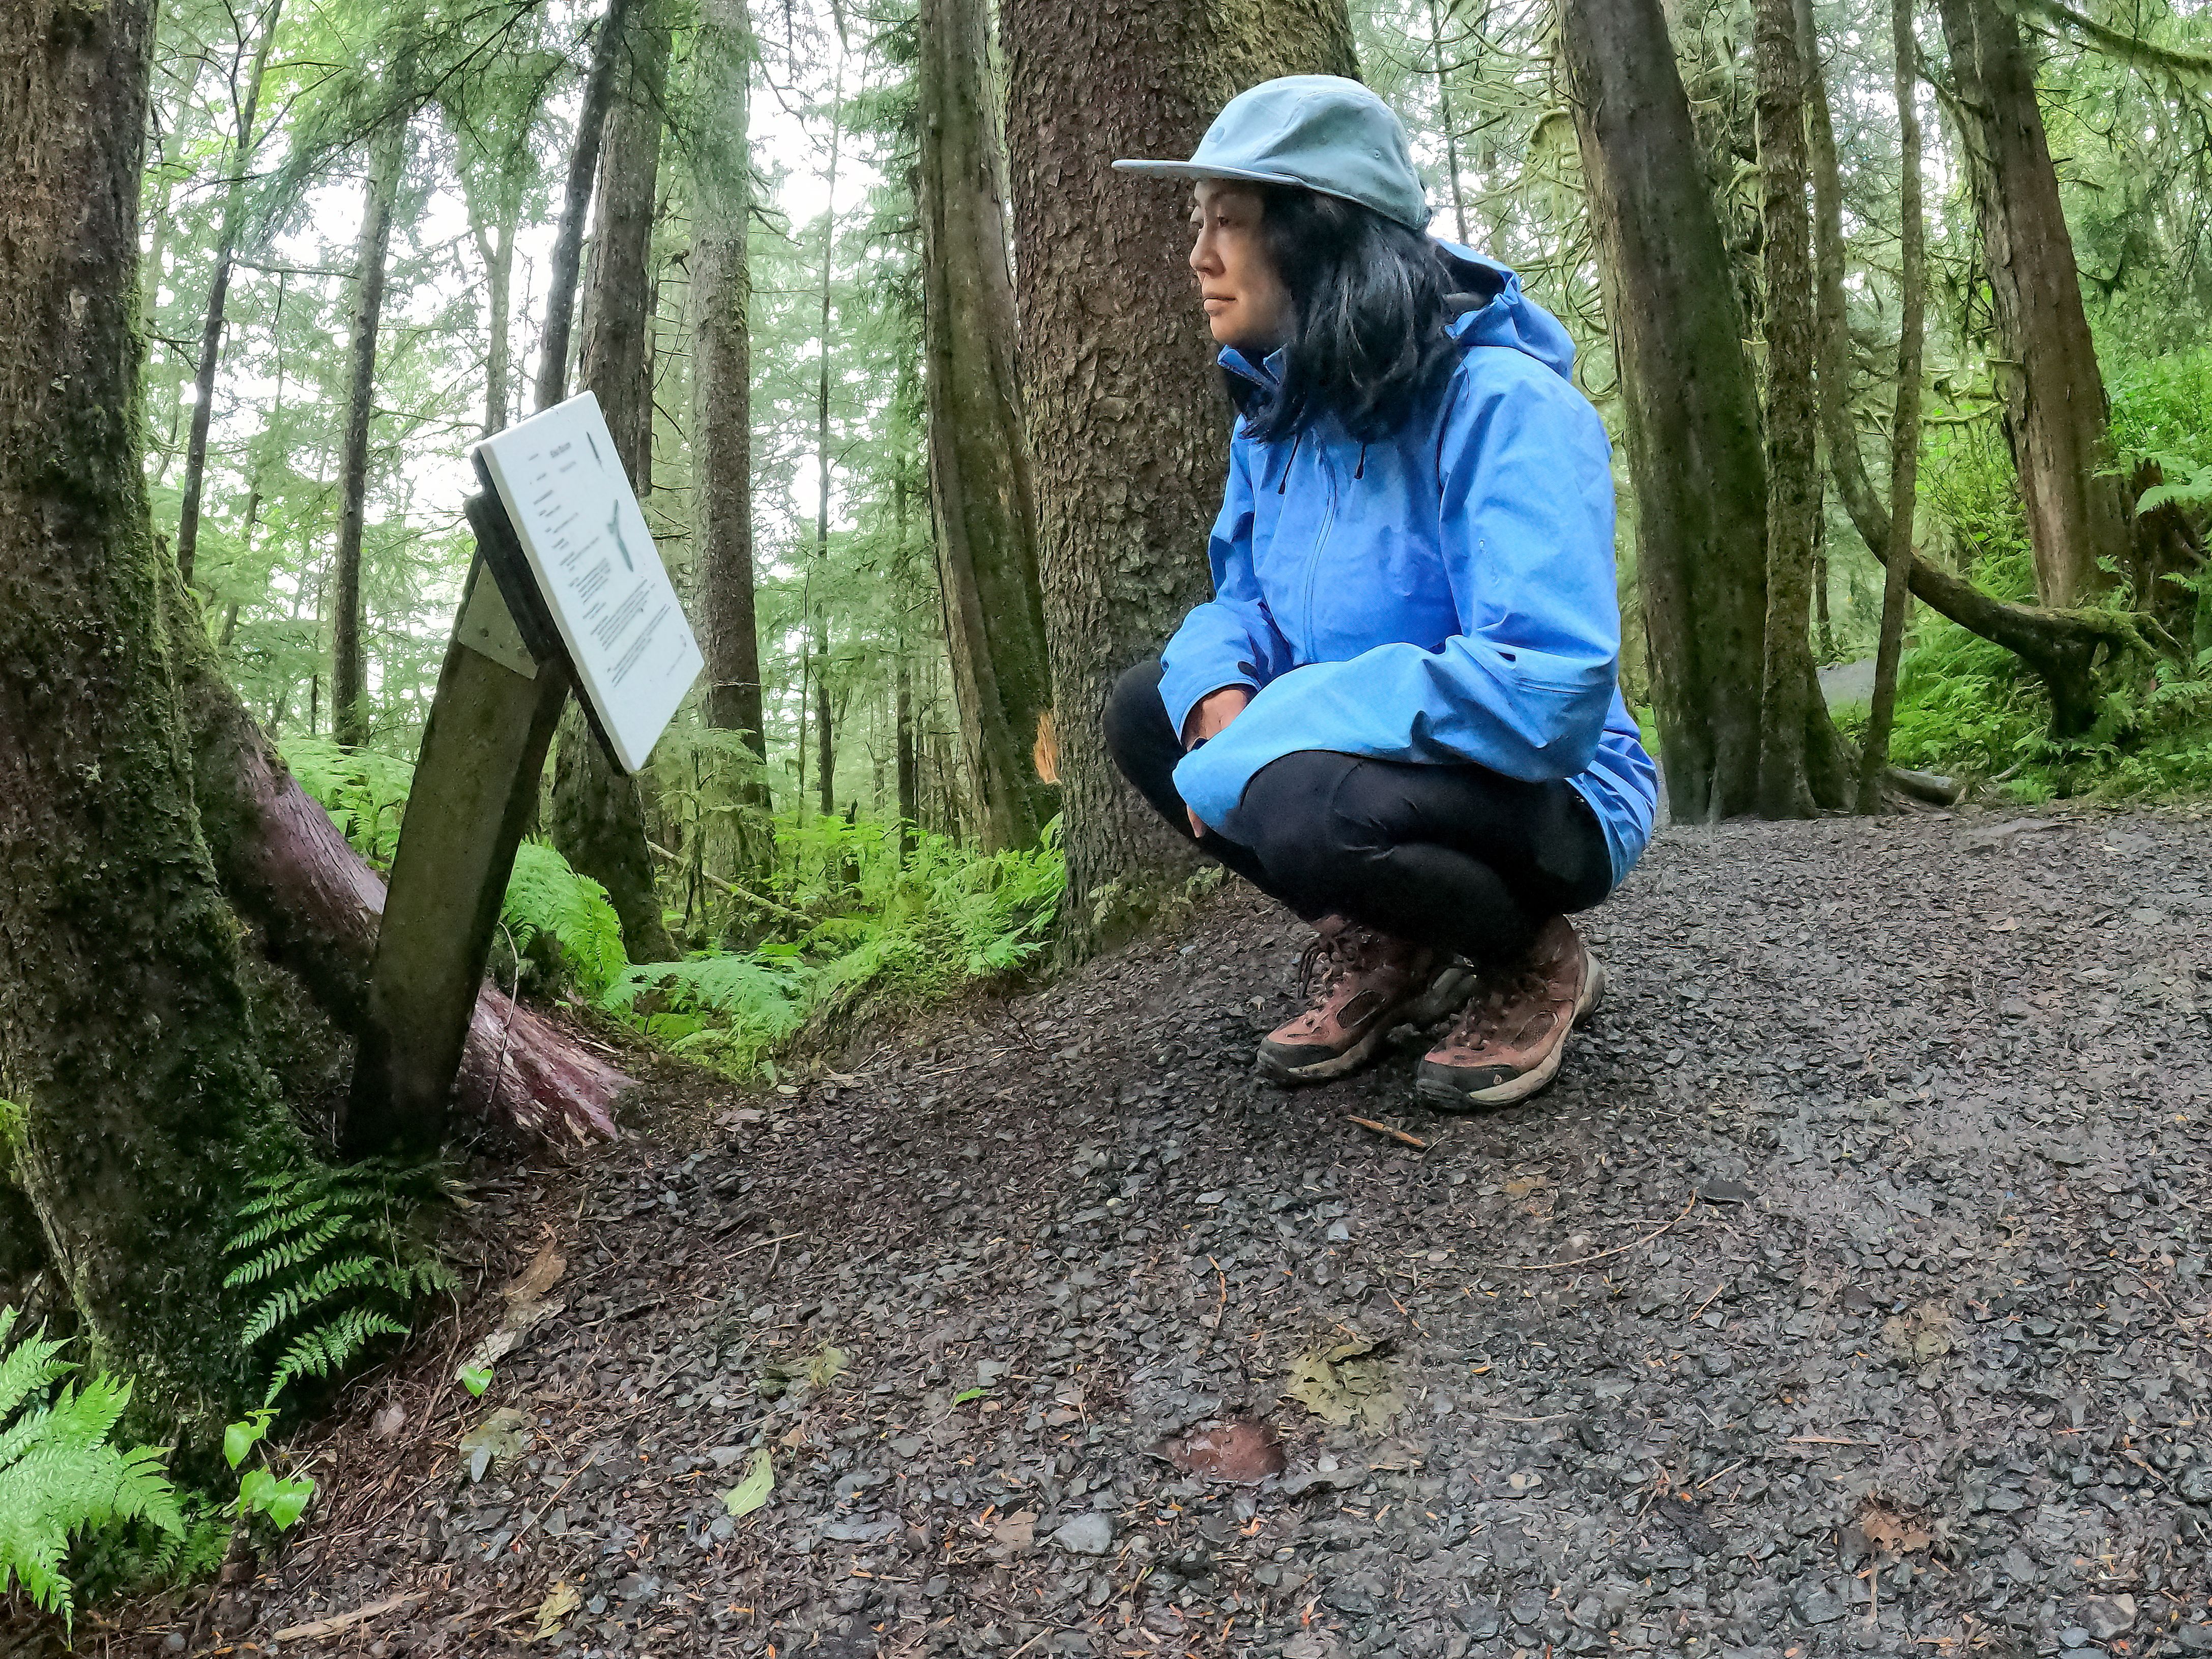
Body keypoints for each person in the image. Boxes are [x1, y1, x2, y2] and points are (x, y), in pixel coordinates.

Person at [1103, 75, 1656, 1110]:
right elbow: (1242, 597)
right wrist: (1221, 689)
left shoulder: (1504, 405)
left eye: (1228, 220)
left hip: (1553, 788)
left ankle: (1533, 958)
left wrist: (1279, 724)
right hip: (1368, 761)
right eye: (1196, 220)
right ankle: (1396, 940)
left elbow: (1546, 688)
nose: (1197, 255)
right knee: (1150, 708)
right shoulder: (1281, 408)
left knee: (1297, 797)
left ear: (1318, 234)